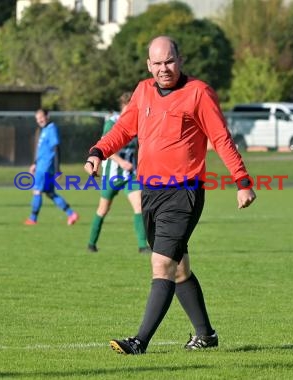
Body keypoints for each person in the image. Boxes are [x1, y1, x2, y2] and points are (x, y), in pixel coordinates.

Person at [84, 36, 256, 355]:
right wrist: (98, 152)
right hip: (150, 191)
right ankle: (205, 335)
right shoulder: (143, 91)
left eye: (170, 61)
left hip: (183, 193)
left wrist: (242, 181)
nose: (164, 69)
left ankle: (139, 342)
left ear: (181, 59)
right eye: (158, 63)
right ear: (149, 65)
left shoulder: (198, 93)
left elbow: (220, 138)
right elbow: (123, 129)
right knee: (178, 268)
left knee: (161, 264)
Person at [87, 92, 151, 254]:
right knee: (103, 209)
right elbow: (104, 146)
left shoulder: (137, 123)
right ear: (125, 106)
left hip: (130, 176)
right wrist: (121, 162)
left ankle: (142, 246)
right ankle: (91, 244)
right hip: (111, 175)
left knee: (139, 207)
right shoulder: (112, 122)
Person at [24, 109, 79, 226]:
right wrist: (35, 163)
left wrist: (57, 168)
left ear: (47, 116)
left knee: (37, 191)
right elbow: (42, 150)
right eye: (37, 119)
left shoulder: (51, 129)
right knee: (50, 192)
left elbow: (56, 148)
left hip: (45, 167)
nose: (39, 120)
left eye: (41, 117)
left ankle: (32, 219)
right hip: (41, 165)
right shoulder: (44, 130)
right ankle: (71, 214)